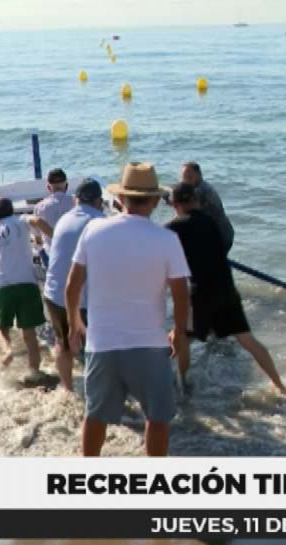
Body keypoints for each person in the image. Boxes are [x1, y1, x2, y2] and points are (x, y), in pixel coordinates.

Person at [65, 162, 190, 457]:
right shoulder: (167, 240)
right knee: (157, 417)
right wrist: (179, 333)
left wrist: (74, 324)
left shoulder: (94, 230)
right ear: (156, 201)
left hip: (102, 343)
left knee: (95, 415)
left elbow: (72, 285)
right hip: (149, 344)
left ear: (120, 199)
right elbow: (181, 293)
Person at [166, 182, 286, 395]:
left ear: (174, 204)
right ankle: (280, 386)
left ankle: (182, 385)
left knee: (182, 337)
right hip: (227, 290)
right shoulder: (210, 221)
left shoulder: (174, 227)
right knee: (247, 339)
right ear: (195, 200)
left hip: (201, 293)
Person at [42, 178, 105, 393]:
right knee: (96, 349)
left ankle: (68, 389)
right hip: (81, 300)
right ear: (99, 201)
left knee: (63, 344)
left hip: (53, 295)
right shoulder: (100, 222)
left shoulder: (63, 219)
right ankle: (99, 394)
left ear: (76, 200)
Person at [0, 197, 46, 381]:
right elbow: (37, 221)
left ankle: (8, 350)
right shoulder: (20, 220)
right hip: (27, 283)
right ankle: (34, 371)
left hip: (2, 286)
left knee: (1, 329)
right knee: (30, 334)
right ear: (12, 211)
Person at [180, 162, 234, 253]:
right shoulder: (197, 188)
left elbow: (184, 205)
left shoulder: (202, 191)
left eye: (189, 176)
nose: (185, 180)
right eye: (184, 177)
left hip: (221, 237)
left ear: (199, 174)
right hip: (215, 234)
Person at [29, 168, 73, 248]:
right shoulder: (76, 203)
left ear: (48, 188)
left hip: (51, 253)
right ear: (66, 186)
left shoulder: (39, 207)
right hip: (74, 252)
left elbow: (38, 240)